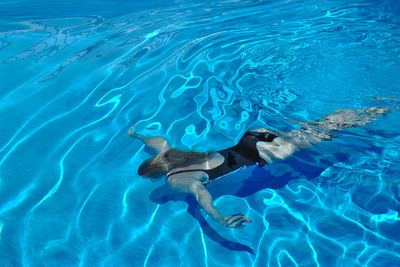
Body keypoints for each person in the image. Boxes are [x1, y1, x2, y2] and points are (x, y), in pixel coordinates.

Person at [129, 105, 398, 229]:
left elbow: (201, 196)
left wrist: (220, 218)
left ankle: (383, 109)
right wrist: (138, 136)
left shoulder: (175, 180)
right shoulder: (169, 154)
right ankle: (374, 105)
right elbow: (158, 141)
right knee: (318, 126)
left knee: (329, 131)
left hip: (266, 153)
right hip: (253, 136)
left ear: (158, 176)